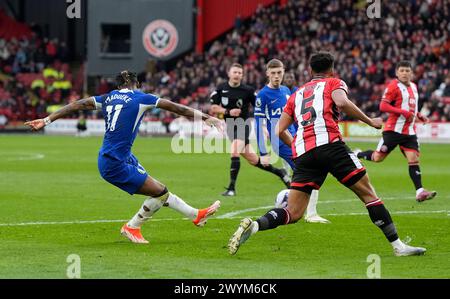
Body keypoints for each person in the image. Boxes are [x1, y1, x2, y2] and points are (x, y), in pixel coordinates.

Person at [228, 52, 426, 257]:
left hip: (305, 154)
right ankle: (398, 246)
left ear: (310, 71)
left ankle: (256, 225)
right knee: (369, 195)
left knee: (294, 212)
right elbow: (341, 102)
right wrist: (369, 121)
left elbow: (278, 130)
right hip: (331, 146)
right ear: (331, 69)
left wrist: (296, 145)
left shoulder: (297, 94)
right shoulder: (334, 83)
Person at [25, 70, 222, 244]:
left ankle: (196, 215)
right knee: (159, 192)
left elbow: (77, 105)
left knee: (159, 190)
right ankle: (132, 227)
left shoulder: (108, 97)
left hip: (118, 157)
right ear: (137, 84)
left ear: (118, 86)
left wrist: (46, 119)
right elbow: (177, 108)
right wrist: (207, 117)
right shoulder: (141, 98)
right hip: (115, 164)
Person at [255, 59, 329, 224]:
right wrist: (263, 152)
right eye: (273, 73)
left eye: (279, 73)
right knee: (311, 170)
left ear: (284, 72)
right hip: (279, 141)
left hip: (295, 138)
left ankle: (293, 204)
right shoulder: (262, 95)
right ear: (267, 73)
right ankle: (309, 213)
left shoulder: (286, 92)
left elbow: (294, 118)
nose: (276, 76)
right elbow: (258, 124)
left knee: (306, 171)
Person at [354, 61, 437, 202]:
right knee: (378, 158)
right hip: (393, 130)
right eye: (402, 70)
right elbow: (383, 105)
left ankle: (420, 191)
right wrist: (402, 112)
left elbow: (412, 108)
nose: (404, 73)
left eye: (407, 70)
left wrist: (418, 115)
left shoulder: (414, 87)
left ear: (411, 73)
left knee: (413, 159)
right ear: (397, 73)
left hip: (409, 132)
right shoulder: (393, 86)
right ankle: (358, 154)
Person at [209, 63, 290, 196]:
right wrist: (228, 111)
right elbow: (213, 108)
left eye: (240, 73)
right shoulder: (221, 88)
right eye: (235, 72)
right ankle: (280, 173)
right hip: (230, 128)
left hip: (243, 125)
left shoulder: (248, 90)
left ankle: (231, 188)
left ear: (242, 75)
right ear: (229, 73)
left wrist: (263, 126)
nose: (237, 75)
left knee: (234, 151)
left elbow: (260, 107)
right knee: (253, 160)